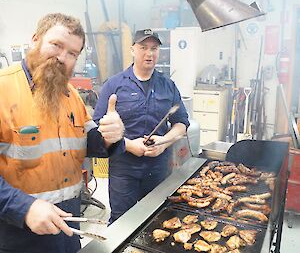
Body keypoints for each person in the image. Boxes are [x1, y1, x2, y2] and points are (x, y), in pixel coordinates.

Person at [0, 13, 125, 253]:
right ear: (35, 40)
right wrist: (23, 207)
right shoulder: (3, 89)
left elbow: (93, 143)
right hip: (18, 236)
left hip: (67, 231)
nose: (62, 58)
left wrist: (112, 135)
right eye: (56, 45)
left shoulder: (71, 95)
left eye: (72, 53)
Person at [93, 28, 190, 223]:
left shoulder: (168, 86)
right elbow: (97, 127)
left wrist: (164, 141)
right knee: (122, 221)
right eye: (143, 47)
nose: (149, 53)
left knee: (158, 218)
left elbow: (181, 123)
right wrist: (129, 145)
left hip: (158, 167)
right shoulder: (114, 85)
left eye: (154, 48)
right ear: (132, 50)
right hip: (124, 167)